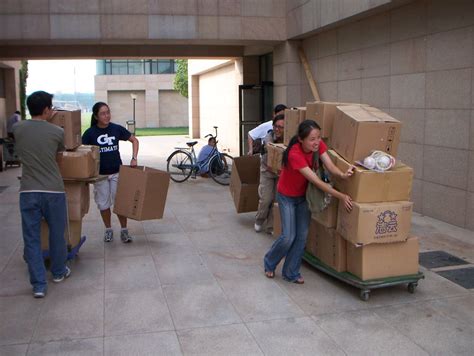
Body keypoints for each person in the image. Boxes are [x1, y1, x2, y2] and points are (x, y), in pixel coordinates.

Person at [263, 120, 354, 284]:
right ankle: (269, 262)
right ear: (301, 139)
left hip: (304, 196)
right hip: (287, 196)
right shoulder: (294, 154)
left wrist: (342, 175)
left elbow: (331, 167)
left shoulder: (318, 147)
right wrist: (342, 196)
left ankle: (290, 272)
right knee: (288, 236)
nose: (317, 142)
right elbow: (318, 183)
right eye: (312, 139)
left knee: (302, 236)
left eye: (318, 137)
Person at [13, 91, 71, 298]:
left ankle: (38, 285)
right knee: (57, 233)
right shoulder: (56, 131)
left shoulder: (17, 128)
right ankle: (57, 272)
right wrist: (51, 121)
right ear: (47, 109)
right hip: (53, 190)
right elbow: (60, 151)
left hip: (28, 190)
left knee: (31, 238)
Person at [82, 102, 139, 243]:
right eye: (102, 113)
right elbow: (81, 152)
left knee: (120, 203)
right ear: (96, 116)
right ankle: (108, 229)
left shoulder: (116, 129)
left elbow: (134, 140)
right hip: (100, 176)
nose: (106, 115)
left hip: (117, 173)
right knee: (103, 204)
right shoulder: (90, 133)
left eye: (108, 112)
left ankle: (124, 230)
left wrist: (134, 158)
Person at [254, 113, 284, 234]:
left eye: (281, 127)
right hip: (267, 171)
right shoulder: (269, 139)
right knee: (266, 199)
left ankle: (271, 226)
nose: (277, 129)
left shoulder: (288, 140)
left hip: (280, 174)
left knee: (276, 200)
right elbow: (270, 160)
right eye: (275, 126)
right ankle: (260, 219)